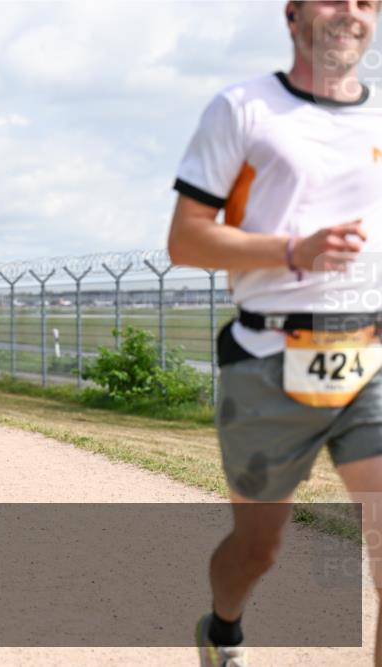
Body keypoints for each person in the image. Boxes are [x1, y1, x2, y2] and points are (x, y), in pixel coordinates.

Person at [167, 2, 382, 664]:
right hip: (267, 356)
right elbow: (185, 239)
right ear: (292, 15)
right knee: (259, 547)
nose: (351, 11)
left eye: (367, 0)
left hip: (370, 356)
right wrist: (297, 250)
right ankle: (223, 627)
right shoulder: (242, 108)